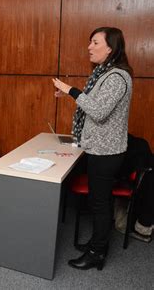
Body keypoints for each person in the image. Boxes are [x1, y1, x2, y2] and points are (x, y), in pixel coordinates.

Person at [52, 27, 133, 271]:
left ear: (111, 48)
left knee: (99, 203)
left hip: (107, 152)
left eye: (95, 42)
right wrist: (74, 95)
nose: (89, 47)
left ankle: (97, 252)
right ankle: (97, 244)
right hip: (99, 149)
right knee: (99, 201)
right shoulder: (104, 74)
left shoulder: (117, 77)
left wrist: (71, 90)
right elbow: (95, 104)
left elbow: (98, 111)